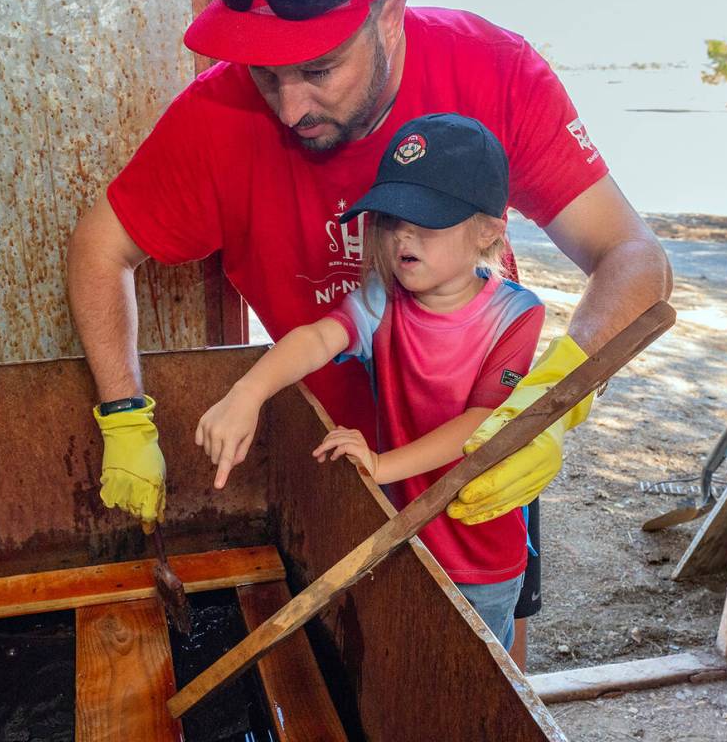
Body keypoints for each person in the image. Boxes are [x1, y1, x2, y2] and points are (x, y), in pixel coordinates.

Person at [66, 0, 672, 668]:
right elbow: (100, 247)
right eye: (266, 72)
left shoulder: (491, 70)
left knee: (487, 644)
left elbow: (634, 259)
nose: (290, 108)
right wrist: (125, 415)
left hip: (478, 429)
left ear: (388, 15)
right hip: (343, 456)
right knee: (365, 652)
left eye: (318, 69)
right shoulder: (214, 115)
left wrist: (549, 406)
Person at [195, 113, 562, 650]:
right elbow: (320, 338)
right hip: (401, 537)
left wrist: (381, 464)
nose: (402, 236)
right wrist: (247, 393)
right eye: (390, 220)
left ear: (489, 229)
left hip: (479, 549)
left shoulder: (515, 314)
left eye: (427, 220)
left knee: (475, 681)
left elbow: (480, 423)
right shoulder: (381, 300)